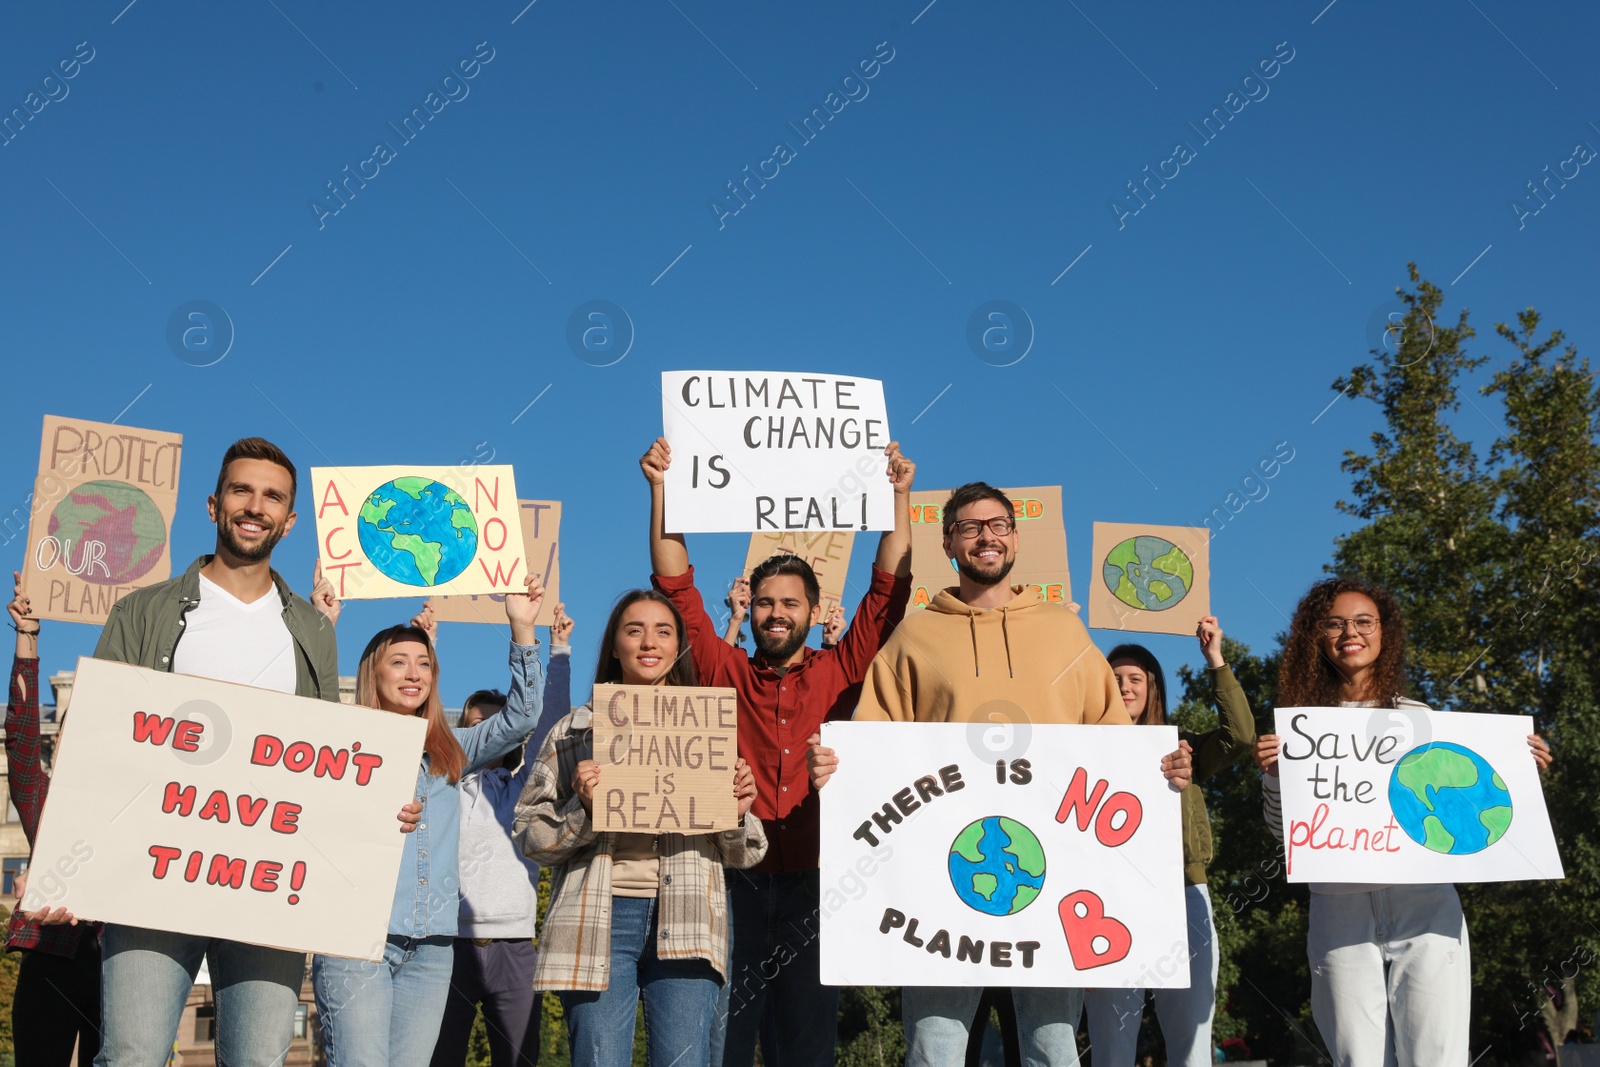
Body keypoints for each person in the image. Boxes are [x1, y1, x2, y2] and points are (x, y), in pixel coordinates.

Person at [41, 437, 423, 1067]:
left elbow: (327, 759)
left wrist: (379, 810)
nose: (255, 506)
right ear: (214, 503)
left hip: (268, 885)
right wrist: (65, 860)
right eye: (242, 491)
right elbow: (96, 743)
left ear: (289, 520)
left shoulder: (311, 631)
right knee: (131, 1054)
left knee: (257, 1059)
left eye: (272, 497)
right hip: (152, 875)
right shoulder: (144, 610)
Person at [806, 480, 1193, 1067]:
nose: (985, 537)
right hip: (938, 880)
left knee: (1052, 1047)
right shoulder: (913, 636)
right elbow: (872, 745)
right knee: (935, 1047)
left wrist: (1159, 770)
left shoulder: (1065, 633)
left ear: (1015, 538)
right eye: (969, 527)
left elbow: (1114, 740)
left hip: (1055, 873)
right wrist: (837, 766)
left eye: (998, 526)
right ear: (948, 542)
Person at [640, 436, 915, 1067]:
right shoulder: (720, 669)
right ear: (751, 608)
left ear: (813, 610)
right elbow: (676, 583)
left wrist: (897, 496)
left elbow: (886, 590)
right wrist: (660, 489)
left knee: (807, 1046)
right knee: (727, 1043)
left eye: (790, 602)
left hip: (820, 885)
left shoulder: (845, 669)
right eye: (764, 602)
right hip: (733, 880)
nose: (775, 612)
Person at [1254, 577, 1552, 1067]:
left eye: (1364, 621)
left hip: (1426, 905)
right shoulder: (1301, 729)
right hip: (1338, 909)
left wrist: (1519, 772)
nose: (1350, 631)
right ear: (1317, 637)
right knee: (1357, 1058)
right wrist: (1275, 779)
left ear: (1384, 633)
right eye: (1334, 623)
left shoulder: (1423, 719)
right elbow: (1283, 835)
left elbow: (1467, 809)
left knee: (1437, 1057)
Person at [513, 589, 767, 1067]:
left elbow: (747, 852)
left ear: (678, 648)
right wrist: (582, 810)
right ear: (614, 646)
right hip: (597, 923)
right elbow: (528, 835)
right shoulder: (574, 732)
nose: (649, 642)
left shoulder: (708, 730)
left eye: (663, 631)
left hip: (688, 921)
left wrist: (736, 814)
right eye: (634, 630)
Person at [311, 575, 547, 1066]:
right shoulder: (341, 742)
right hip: (359, 942)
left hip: (434, 949)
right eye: (399, 662)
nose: (413, 673)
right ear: (372, 673)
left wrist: (522, 627)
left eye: (424, 664)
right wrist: (320, 628)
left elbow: (522, 718)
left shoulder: (452, 750)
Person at [1082, 618, 1256, 1067]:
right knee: (1111, 1039)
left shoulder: (1184, 748)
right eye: (1114, 678)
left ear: (1153, 688)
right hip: (1109, 901)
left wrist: (1215, 658)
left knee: (1192, 1035)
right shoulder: (1082, 749)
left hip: (1183, 895)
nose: (1124, 687)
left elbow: (1240, 736)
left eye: (1135, 679)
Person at [429, 603, 577, 1067]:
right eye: (475, 727)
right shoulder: (441, 786)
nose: (484, 736)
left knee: (520, 1060)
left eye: (495, 728)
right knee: (439, 1057)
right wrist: (429, 648)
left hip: (514, 947)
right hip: (446, 946)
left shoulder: (523, 789)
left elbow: (547, 724)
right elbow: (422, 722)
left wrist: (560, 651)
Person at [5, 571, 103, 1065]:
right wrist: (27, 638)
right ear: (58, 745)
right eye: (70, 732)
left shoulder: (142, 808)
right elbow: (21, 739)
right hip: (51, 955)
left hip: (118, 965)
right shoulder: (44, 800)